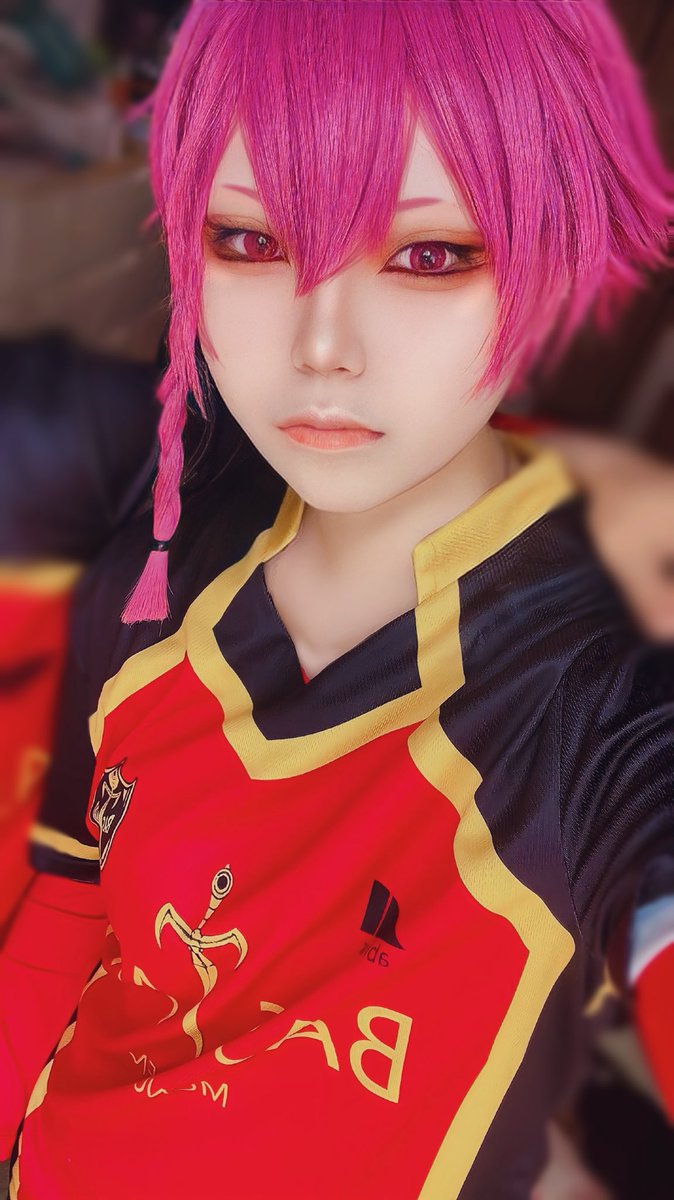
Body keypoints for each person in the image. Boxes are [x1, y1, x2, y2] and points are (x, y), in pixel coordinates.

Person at [0, 2, 673, 1197]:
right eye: (250, 241)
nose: (320, 347)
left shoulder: (602, 696)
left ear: (554, 256)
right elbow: (72, 894)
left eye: (428, 255)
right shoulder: (157, 565)